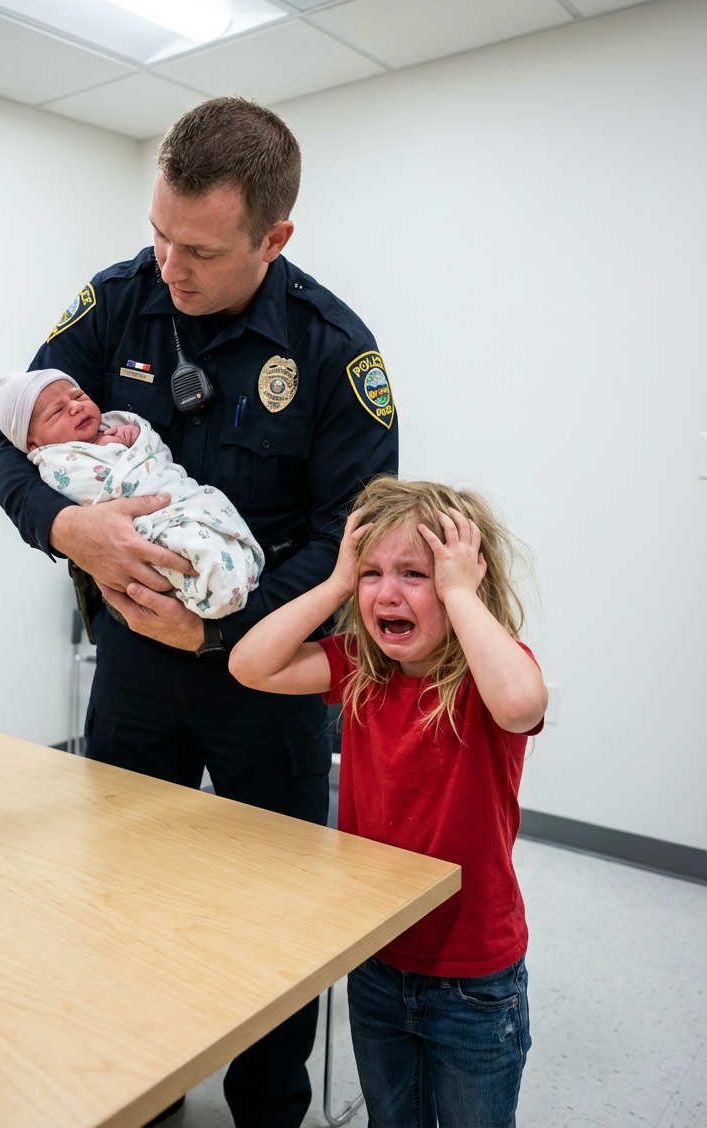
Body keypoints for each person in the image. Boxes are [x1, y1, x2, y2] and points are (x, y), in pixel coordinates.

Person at [0, 95, 398, 1128]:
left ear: (274, 236)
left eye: (200, 250)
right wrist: (61, 527)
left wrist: (220, 626)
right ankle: (145, 1089)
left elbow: (346, 537)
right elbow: (10, 432)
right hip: (130, 671)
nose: (171, 266)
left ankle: (267, 1107)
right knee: (125, 896)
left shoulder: (333, 350)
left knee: (271, 918)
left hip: (267, 683)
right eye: (160, 234)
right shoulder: (117, 298)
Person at [229, 476, 547, 1128]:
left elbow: (521, 707)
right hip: (377, 963)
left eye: (417, 573)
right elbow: (249, 664)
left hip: (474, 979)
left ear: (466, 587)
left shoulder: (485, 682)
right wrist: (337, 581)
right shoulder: (356, 667)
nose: (389, 592)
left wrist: (459, 591)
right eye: (374, 573)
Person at [0, 368, 264, 619]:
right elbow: (91, 489)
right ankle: (216, 584)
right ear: (33, 445)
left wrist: (130, 440)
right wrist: (112, 451)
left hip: (175, 496)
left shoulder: (112, 427)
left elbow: (153, 452)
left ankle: (233, 569)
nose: (74, 407)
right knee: (186, 547)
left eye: (79, 395)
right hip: (147, 525)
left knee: (210, 509)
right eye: (56, 412)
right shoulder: (58, 463)